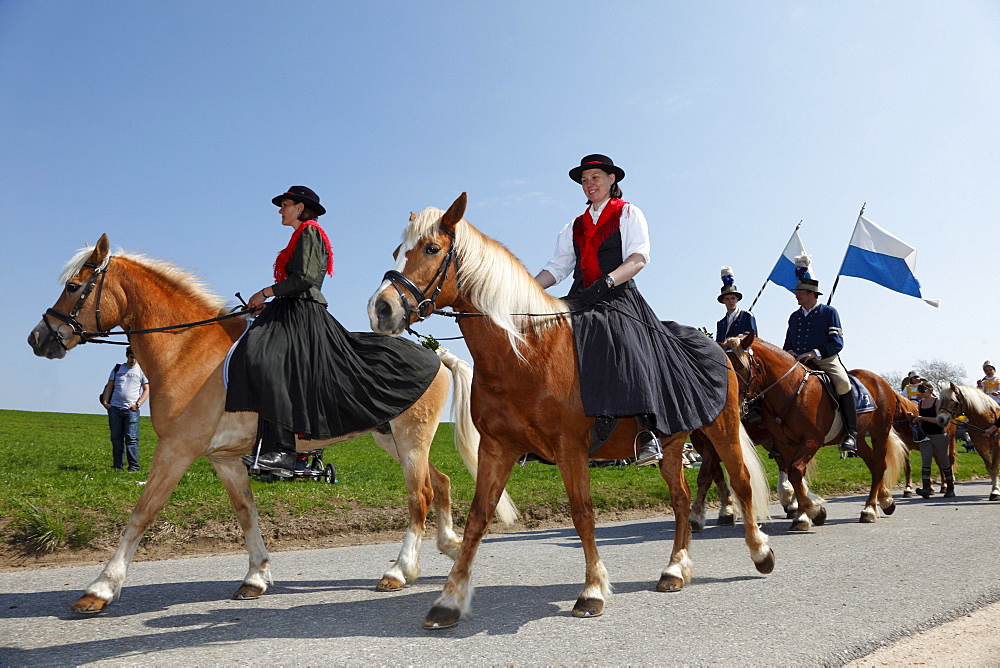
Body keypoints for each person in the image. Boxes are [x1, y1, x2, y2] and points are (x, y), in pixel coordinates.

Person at [225, 186, 441, 474]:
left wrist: (265, 292)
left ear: (300, 208)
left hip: (302, 311)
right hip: (289, 307)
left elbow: (305, 278)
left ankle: (283, 450)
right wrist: (272, 301)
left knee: (267, 358)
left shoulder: (310, 231)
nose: (281, 210)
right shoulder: (300, 234)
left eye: (285, 204)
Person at [534, 155, 730, 466]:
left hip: (619, 295)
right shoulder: (574, 225)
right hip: (582, 296)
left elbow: (639, 258)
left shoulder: (628, 213)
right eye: (585, 180)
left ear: (612, 180)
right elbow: (557, 268)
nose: (589, 184)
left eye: (595, 177)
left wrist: (608, 281)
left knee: (621, 339)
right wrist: (526, 289)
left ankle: (646, 431)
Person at [782, 260, 857, 452]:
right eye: (796, 292)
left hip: (825, 360)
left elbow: (837, 343)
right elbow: (788, 342)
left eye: (799, 293)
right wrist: (789, 352)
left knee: (843, 383)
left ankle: (851, 434)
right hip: (797, 362)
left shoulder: (829, 312)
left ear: (811, 294)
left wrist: (813, 353)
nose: (796, 295)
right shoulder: (793, 316)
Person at [100, 346, 149, 472]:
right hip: (115, 408)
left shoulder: (142, 370)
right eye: (132, 357)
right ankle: (117, 466)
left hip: (131, 410)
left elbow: (147, 389)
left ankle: (134, 466)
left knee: (131, 438)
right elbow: (109, 386)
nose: (133, 360)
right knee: (116, 438)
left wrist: (138, 405)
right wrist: (106, 402)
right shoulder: (117, 369)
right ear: (127, 356)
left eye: (136, 357)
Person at [909, 382, 955, 498]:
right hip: (925, 435)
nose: (921, 394)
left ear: (930, 390)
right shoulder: (920, 403)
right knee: (925, 462)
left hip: (939, 434)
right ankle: (926, 488)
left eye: (922, 391)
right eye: (919, 391)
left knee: (944, 460)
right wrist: (915, 418)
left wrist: (921, 418)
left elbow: (939, 420)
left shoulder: (937, 402)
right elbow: (921, 421)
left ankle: (950, 488)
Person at [715, 266, 757, 343]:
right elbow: (719, 344)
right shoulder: (721, 323)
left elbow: (754, 340)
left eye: (733, 298)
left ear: (737, 299)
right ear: (723, 301)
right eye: (727, 299)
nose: (731, 301)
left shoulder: (747, 316)